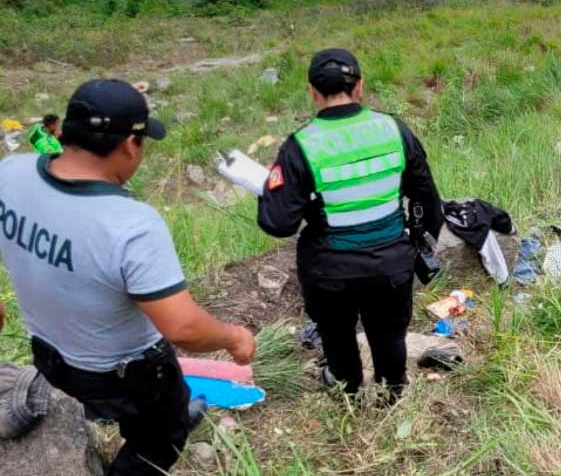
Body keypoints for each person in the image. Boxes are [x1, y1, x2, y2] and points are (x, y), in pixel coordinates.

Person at [0, 79, 256, 476]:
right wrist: (235, 337)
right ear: (128, 145)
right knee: (162, 432)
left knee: (147, 399)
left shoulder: (10, 176)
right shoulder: (130, 225)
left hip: (49, 355)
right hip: (121, 375)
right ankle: (158, 432)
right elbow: (184, 328)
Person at [258, 49, 442, 400]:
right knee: (390, 337)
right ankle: (392, 392)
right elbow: (428, 201)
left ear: (312, 91)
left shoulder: (300, 146)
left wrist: (271, 189)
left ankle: (347, 391)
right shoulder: (394, 129)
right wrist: (416, 245)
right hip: (391, 265)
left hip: (330, 272)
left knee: (337, 336)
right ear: (360, 86)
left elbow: (278, 224)